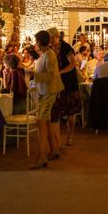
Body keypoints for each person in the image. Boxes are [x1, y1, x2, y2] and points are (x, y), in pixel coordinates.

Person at [30, 30, 63, 169]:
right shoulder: (46, 54)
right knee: (46, 121)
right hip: (46, 92)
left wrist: (33, 75)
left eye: (36, 41)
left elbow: (50, 76)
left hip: (49, 92)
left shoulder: (49, 55)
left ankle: (42, 156)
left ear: (39, 42)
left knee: (41, 122)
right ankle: (54, 148)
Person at [48, 26, 81, 149]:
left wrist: (60, 72)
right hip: (56, 84)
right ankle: (57, 141)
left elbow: (73, 64)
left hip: (68, 82)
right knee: (55, 111)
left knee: (70, 111)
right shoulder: (50, 49)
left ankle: (70, 136)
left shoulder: (66, 47)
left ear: (56, 37)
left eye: (51, 38)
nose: (49, 40)